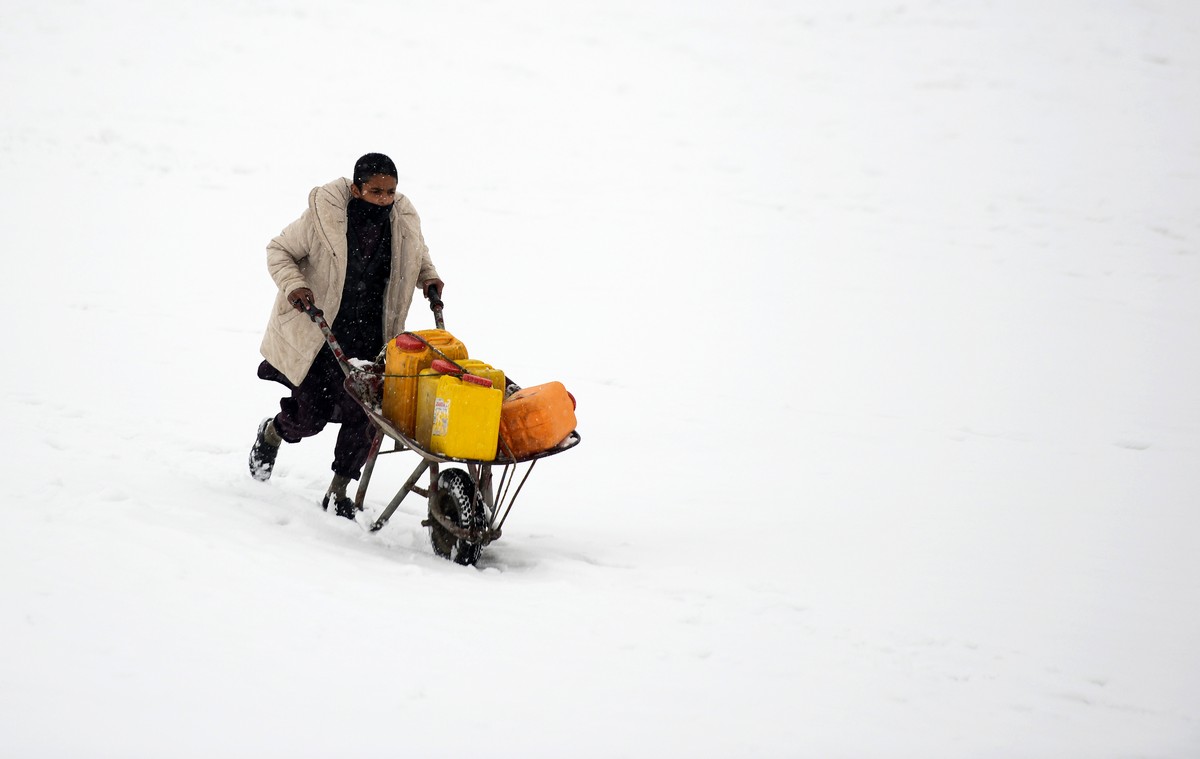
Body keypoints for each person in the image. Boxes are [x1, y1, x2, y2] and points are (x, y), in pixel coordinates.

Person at [249, 153, 444, 519]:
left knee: (366, 414)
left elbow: (415, 253)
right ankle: (274, 433)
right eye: (375, 191)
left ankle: (339, 489)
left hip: (374, 334)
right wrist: (295, 285)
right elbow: (280, 251)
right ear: (356, 189)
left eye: (390, 191)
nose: (384, 198)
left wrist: (428, 276)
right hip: (322, 333)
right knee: (310, 416)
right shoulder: (325, 217)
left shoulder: (403, 217)